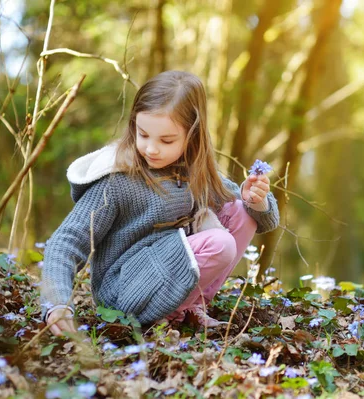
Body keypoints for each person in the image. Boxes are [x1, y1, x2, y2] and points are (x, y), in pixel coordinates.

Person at [41, 71, 279, 336]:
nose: (152, 149)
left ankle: (191, 305)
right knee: (220, 244)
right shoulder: (116, 180)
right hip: (124, 291)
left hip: (165, 273)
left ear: (192, 135)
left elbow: (264, 223)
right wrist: (57, 303)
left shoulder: (194, 170)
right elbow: (67, 240)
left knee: (239, 212)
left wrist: (255, 199)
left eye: (166, 140)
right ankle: (168, 313)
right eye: (142, 134)